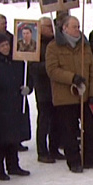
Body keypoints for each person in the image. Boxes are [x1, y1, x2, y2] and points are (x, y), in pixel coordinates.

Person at [46, 14, 93, 173]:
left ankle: (90, 158)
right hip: (65, 97)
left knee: (91, 129)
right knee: (69, 131)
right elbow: (52, 70)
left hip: (85, 96)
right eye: (75, 27)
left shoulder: (84, 46)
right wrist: (72, 78)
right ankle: (74, 161)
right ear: (64, 28)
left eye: (79, 26)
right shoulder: (54, 47)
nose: (78, 30)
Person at [0, 32, 32, 181]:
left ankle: (13, 165)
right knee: (0, 139)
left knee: (13, 137)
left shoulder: (17, 61)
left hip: (15, 103)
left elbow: (28, 77)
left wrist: (28, 87)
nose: (6, 47)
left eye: (7, 44)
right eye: (2, 45)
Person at [31, 17, 63, 163]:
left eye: (52, 26)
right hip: (43, 87)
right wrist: (51, 67)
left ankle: (54, 148)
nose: (51, 28)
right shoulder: (35, 45)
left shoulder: (56, 42)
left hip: (57, 86)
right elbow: (33, 68)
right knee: (44, 120)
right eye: (48, 26)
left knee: (57, 119)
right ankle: (42, 151)